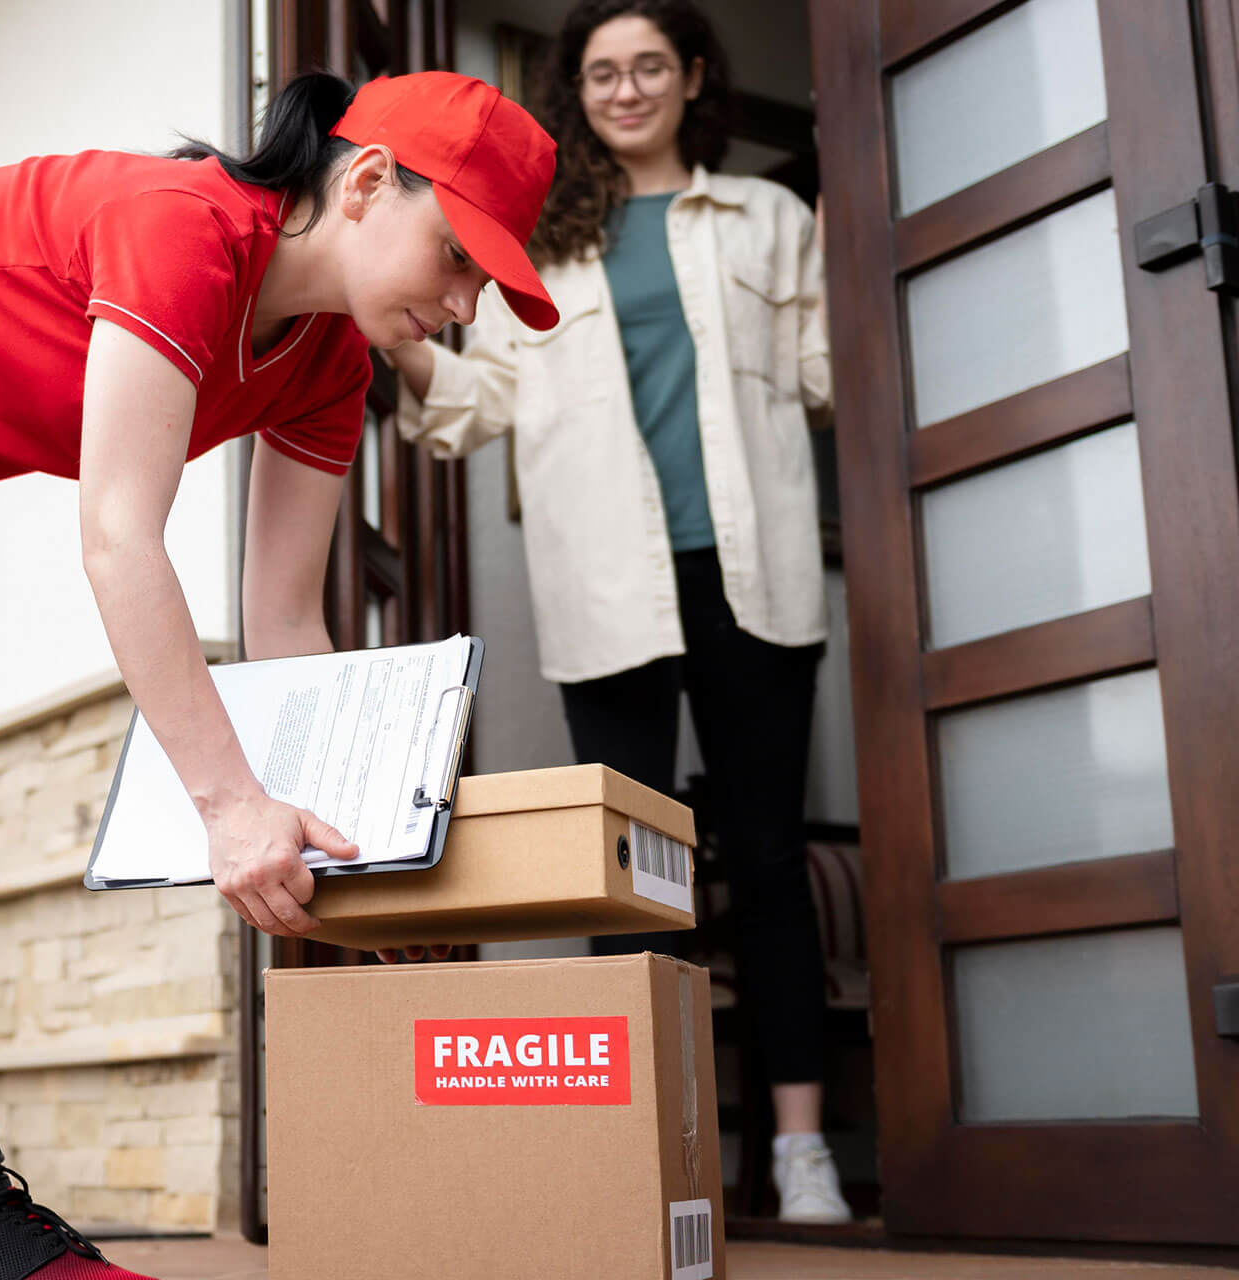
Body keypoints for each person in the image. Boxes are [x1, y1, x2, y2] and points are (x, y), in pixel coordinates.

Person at [0, 70, 559, 1280]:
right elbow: (119, 539)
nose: (462, 305)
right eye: (458, 256)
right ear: (365, 182)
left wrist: (366, 857)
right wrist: (229, 805)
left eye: (486, 285)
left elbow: (284, 621)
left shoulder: (331, 366)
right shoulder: (185, 230)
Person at [382, 0, 846, 1225]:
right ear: (575, 94)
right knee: (633, 871)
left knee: (767, 857)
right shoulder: (541, 240)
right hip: (606, 580)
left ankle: (801, 1148)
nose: (627, 89)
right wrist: (379, 315)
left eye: (649, 67)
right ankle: (650, 1151)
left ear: (693, 78)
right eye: (602, 73)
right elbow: (473, 401)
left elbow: (828, 379)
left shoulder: (770, 218)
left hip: (753, 575)